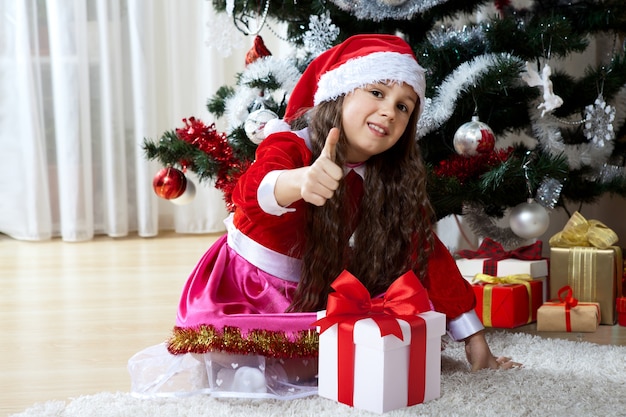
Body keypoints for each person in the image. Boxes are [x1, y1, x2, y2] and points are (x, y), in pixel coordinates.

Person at [129, 34, 518, 399]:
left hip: (313, 292)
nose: (389, 111)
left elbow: (427, 252)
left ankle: (267, 370)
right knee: (238, 344)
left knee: (377, 335)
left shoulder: (388, 178)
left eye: (403, 106)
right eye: (377, 92)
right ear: (340, 94)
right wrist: (299, 182)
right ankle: (245, 370)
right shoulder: (290, 143)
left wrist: (474, 341)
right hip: (245, 288)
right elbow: (251, 190)